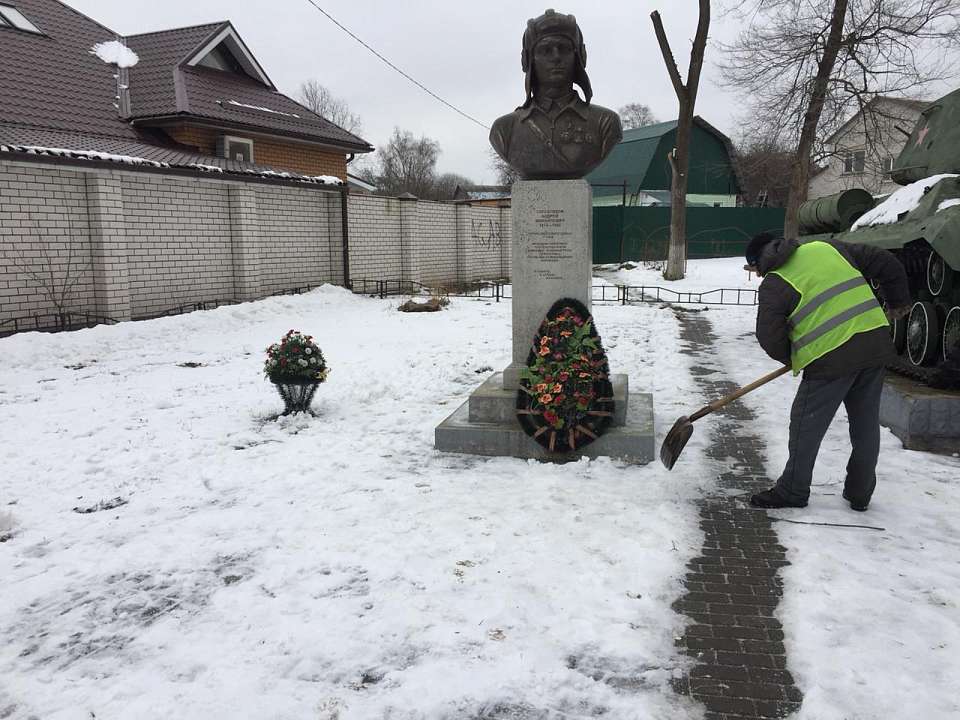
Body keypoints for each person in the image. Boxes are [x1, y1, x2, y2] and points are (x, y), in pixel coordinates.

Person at [745, 232, 910, 511]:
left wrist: (798, 356)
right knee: (865, 424)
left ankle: (792, 491)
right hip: (875, 342)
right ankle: (860, 494)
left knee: (805, 425)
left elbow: (769, 337)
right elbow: (885, 261)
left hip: (830, 358)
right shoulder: (827, 247)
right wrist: (897, 302)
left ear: (759, 264)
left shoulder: (774, 284)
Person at [489, 9, 622, 180]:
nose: (556, 57)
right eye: (545, 50)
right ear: (528, 60)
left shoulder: (605, 124)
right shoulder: (504, 129)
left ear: (579, 56)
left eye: (564, 49)